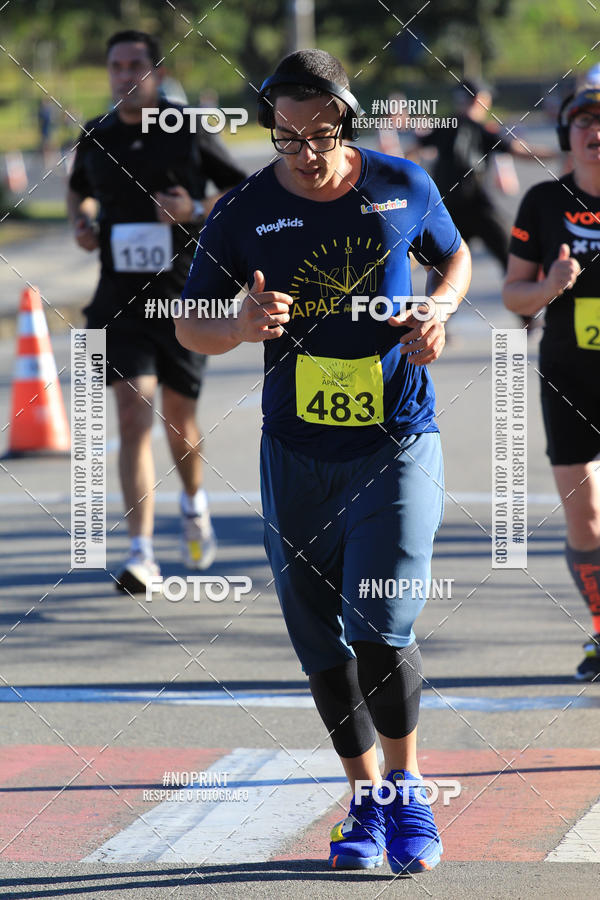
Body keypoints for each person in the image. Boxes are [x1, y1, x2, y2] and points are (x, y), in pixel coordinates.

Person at [176, 49, 471, 874]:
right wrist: (234, 325)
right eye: (285, 137)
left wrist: (440, 310)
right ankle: (366, 796)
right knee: (321, 644)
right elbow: (189, 325)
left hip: (398, 440)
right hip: (297, 452)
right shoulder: (241, 209)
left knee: (379, 625)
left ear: (347, 117)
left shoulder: (403, 183)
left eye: (320, 132)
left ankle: (409, 790)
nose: (304, 152)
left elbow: (455, 257)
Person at [67, 30, 246, 593]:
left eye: (135, 65)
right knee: (132, 416)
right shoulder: (96, 135)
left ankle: (194, 502)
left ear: (156, 71)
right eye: (116, 66)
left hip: (188, 295)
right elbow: (79, 191)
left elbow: (245, 190)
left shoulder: (187, 127)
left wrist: (193, 208)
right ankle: (141, 552)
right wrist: (85, 222)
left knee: (179, 421)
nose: (125, 76)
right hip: (120, 299)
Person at [503, 68, 600, 682]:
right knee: (584, 513)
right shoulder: (543, 202)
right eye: (586, 122)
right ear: (568, 133)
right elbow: (514, 296)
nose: (597, 132)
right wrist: (548, 287)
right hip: (569, 377)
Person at [417, 79, 554, 333]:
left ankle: (436, 322)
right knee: (513, 257)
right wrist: (560, 154)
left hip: (448, 211)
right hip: (479, 207)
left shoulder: (445, 126)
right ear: (480, 99)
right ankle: (527, 317)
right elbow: (520, 151)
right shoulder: (483, 130)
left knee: (446, 267)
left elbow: (414, 150)